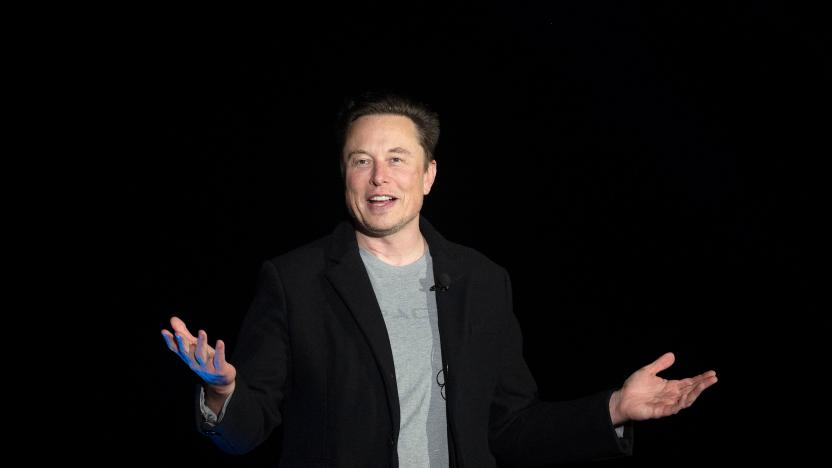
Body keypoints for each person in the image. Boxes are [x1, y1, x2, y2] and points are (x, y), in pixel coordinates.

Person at [161, 92, 717, 467]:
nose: (379, 177)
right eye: (361, 160)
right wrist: (222, 392)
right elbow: (245, 430)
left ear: (428, 175)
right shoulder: (294, 280)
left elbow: (510, 425)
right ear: (344, 175)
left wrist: (613, 409)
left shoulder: (482, 280)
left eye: (398, 159)